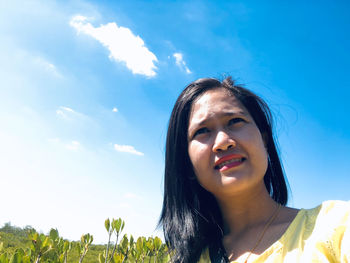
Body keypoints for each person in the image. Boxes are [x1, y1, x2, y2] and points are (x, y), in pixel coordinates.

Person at [159, 77, 350, 263]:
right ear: (187, 163)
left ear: (264, 140)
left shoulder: (335, 225)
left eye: (235, 121)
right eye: (202, 131)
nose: (223, 142)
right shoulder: (190, 258)